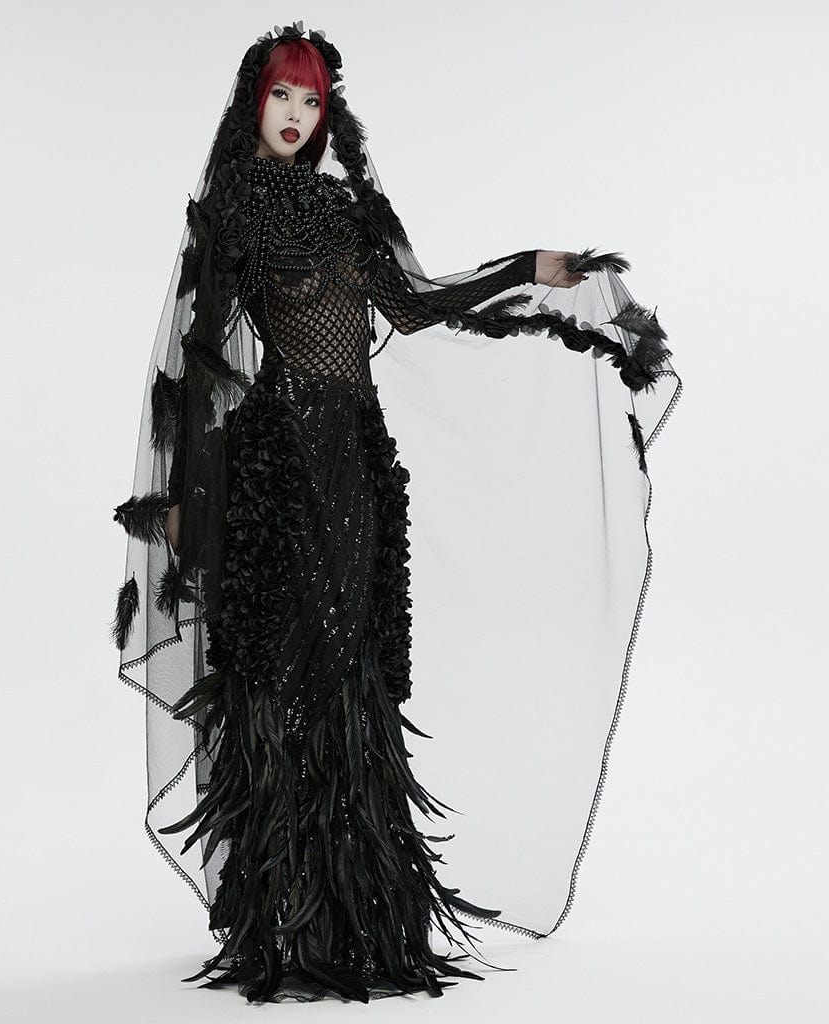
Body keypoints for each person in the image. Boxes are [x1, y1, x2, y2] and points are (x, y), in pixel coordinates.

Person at [111, 21, 680, 1005]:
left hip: (357, 467)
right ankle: (284, 918)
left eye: (312, 100)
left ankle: (358, 916)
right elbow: (199, 358)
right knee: (288, 665)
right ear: (253, 102)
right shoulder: (232, 208)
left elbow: (414, 306)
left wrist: (529, 269)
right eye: (282, 95)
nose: (296, 114)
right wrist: (187, 497)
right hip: (280, 464)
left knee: (354, 665)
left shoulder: (345, 208)